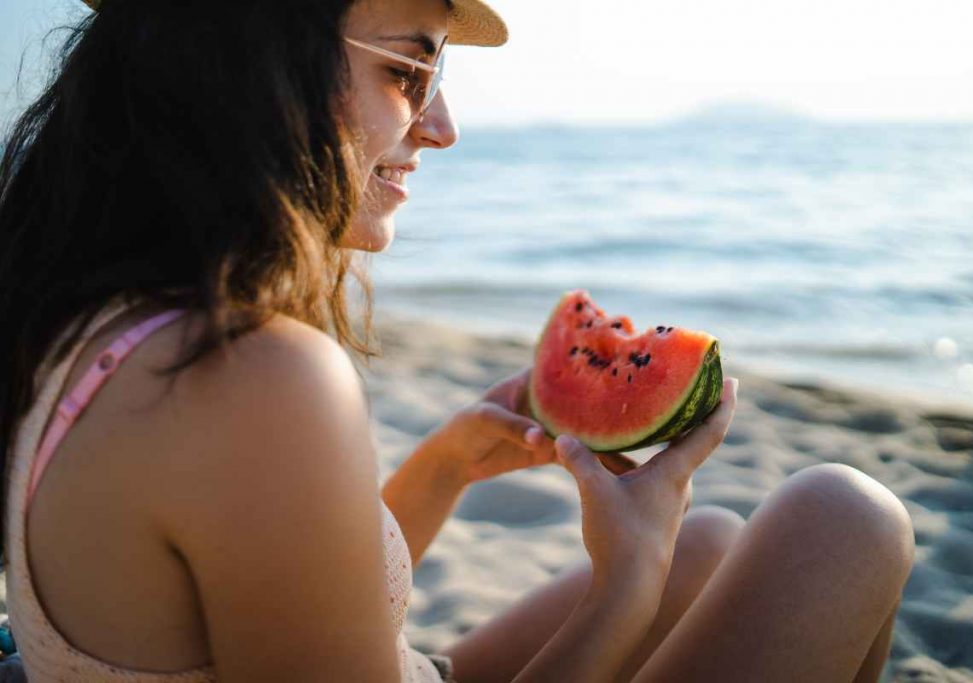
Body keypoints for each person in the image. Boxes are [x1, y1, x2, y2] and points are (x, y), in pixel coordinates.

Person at [0, 0, 916, 680]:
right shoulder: (249, 376)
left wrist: (445, 461)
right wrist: (623, 583)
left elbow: (277, 590)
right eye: (408, 72)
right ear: (251, 64)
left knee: (712, 540)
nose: (441, 126)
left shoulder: (91, 321)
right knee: (846, 518)